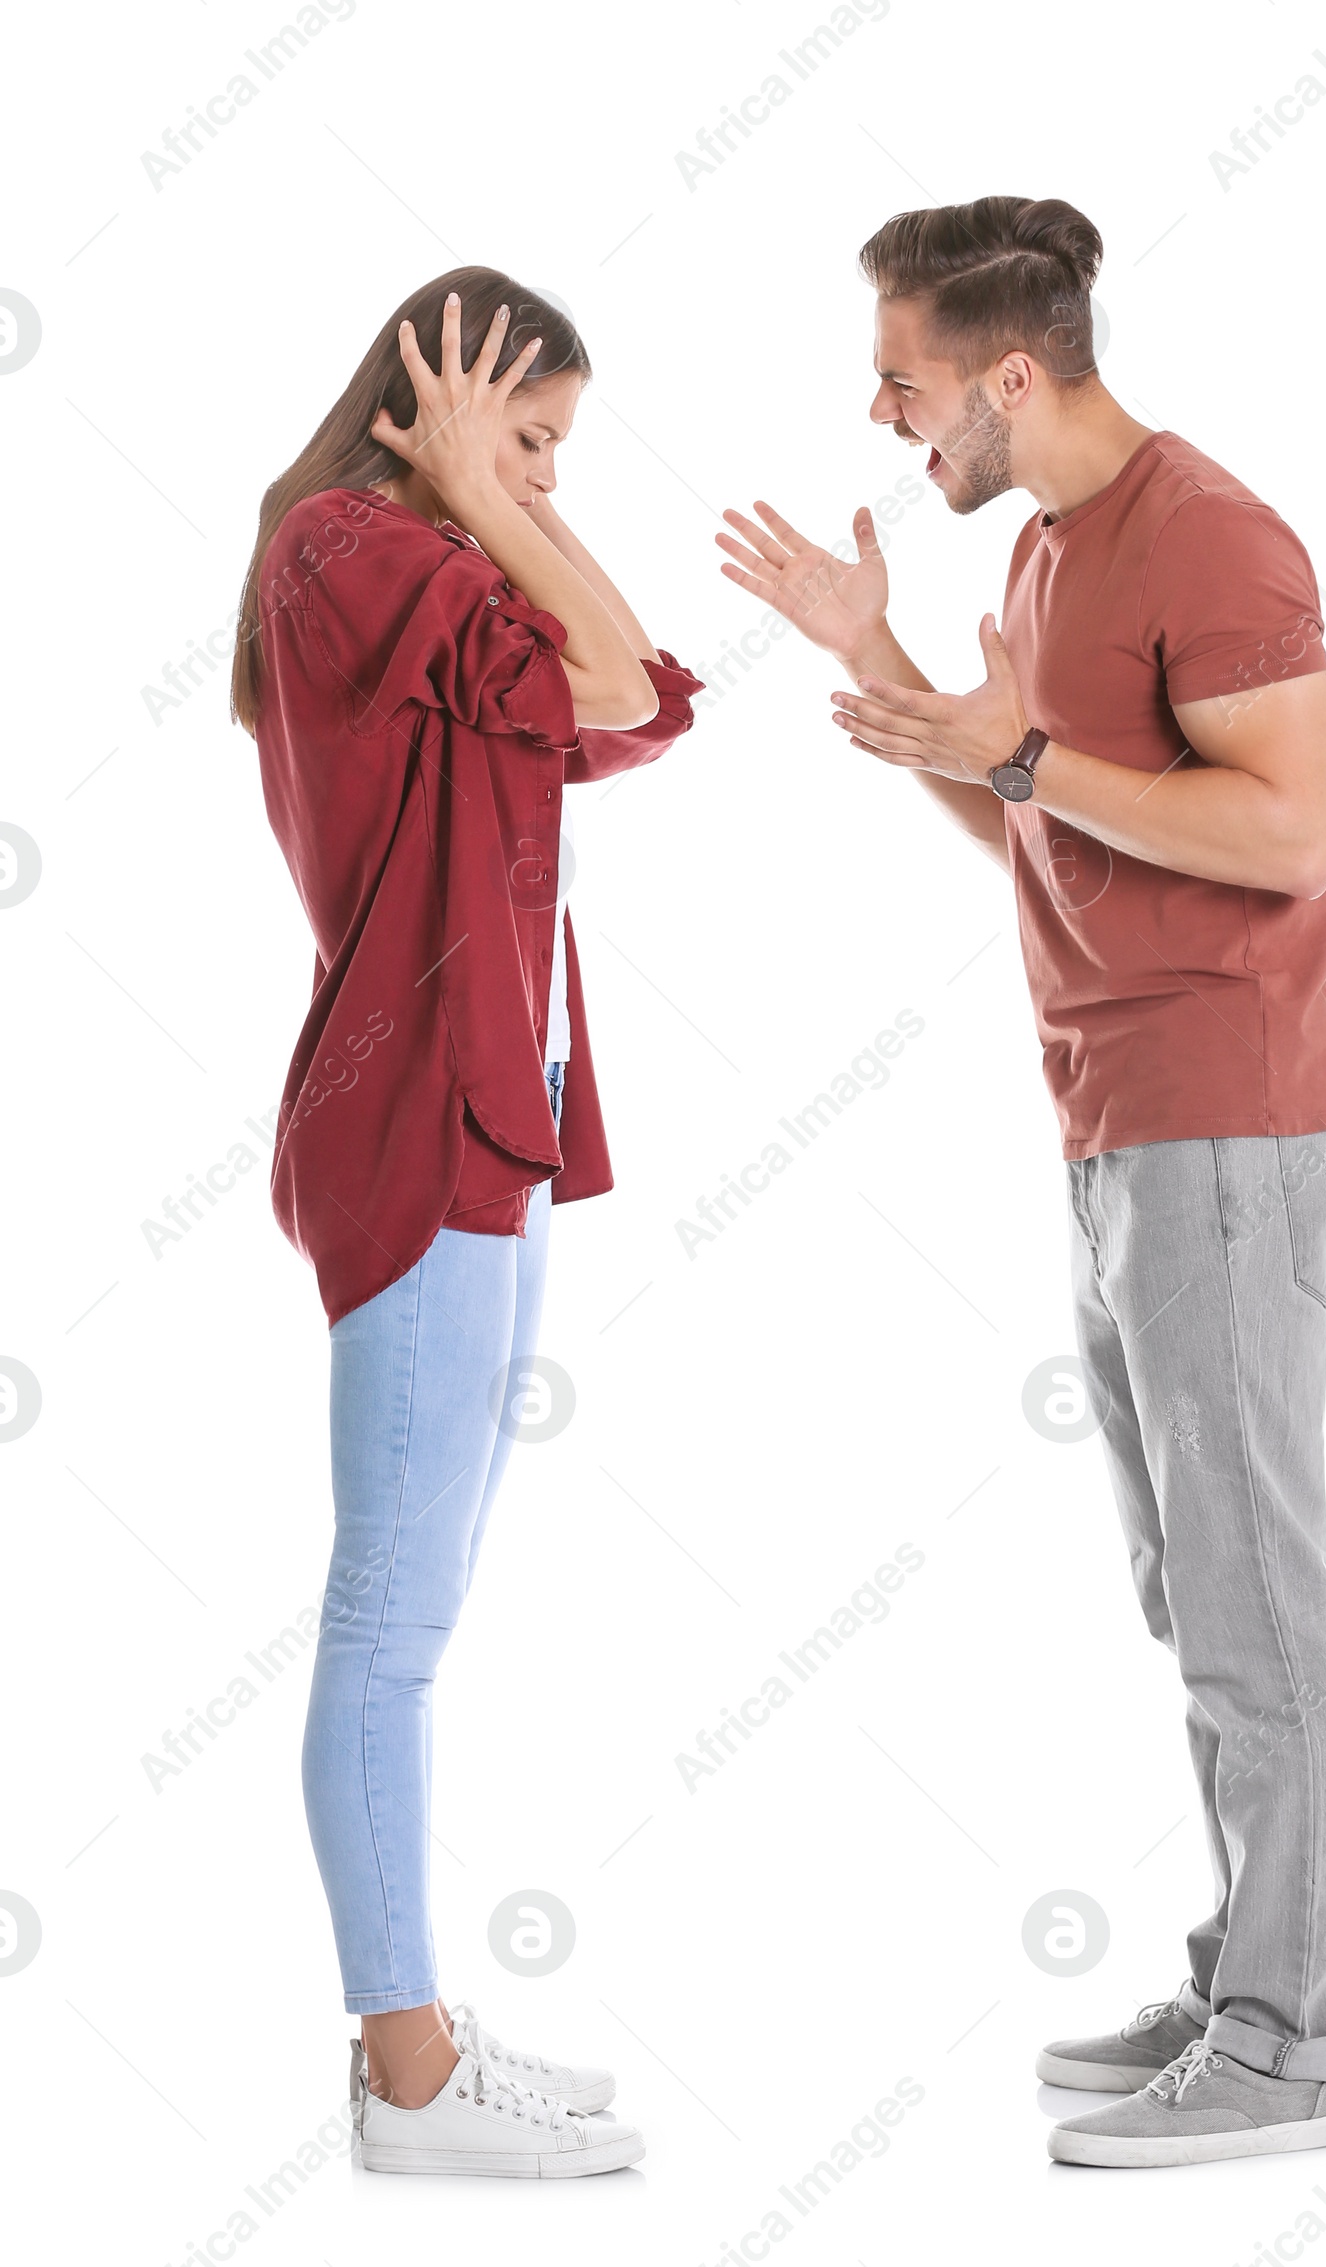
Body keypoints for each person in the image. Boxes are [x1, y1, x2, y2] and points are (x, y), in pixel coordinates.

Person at [718, 195, 1326, 2170]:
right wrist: (894, 673)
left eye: (903, 380)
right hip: (1111, 1122)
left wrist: (1012, 758)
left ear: (1010, 373)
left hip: (1228, 1121)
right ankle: (1239, 1972)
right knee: (1192, 1590)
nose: (882, 412)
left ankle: (1284, 2048)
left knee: (1253, 1595)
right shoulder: (1036, 556)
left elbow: (1284, 831)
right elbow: (1027, 816)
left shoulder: (1208, 535)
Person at [233, 269, 702, 2178]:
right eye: (530, 440)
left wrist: (503, 495)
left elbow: (648, 699)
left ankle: (416, 2036)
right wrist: (481, 495)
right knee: (391, 1622)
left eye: (559, 458)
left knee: (414, 1612)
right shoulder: (347, 546)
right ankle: (408, 2073)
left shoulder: (444, 568)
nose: (542, 487)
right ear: (422, 402)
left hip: (494, 1123)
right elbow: (603, 679)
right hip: (417, 1120)